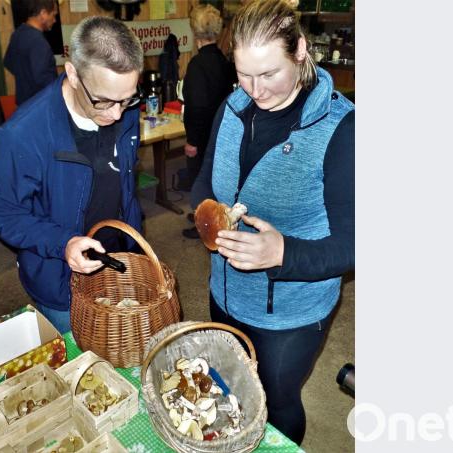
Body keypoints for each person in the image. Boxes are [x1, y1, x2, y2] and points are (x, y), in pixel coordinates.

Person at [190, 0, 354, 445]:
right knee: (232, 389)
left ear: (300, 50)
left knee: (276, 402)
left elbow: (354, 244)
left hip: (290, 314)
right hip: (224, 290)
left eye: (268, 74)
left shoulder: (342, 128)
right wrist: (205, 211)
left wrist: (283, 253)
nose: (255, 90)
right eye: (244, 73)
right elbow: (205, 179)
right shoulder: (234, 105)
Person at [0, 16, 145, 334]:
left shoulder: (123, 105)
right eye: (103, 101)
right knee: (83, 362)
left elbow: (122, 179)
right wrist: (64, 243)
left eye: (128, 99)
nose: (117, 114)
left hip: (119, 259)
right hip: (60, 279)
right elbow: (2, 214)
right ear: (72, 73)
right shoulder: (22, 135)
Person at [180, 4, 235, 239]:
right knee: (214, 179)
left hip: (202, 137)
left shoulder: (197, 65)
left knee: (200, 182)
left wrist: (192, 141)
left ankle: (203, 223)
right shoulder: (222, 61)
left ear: (195, 32)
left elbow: (197, 107)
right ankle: (207, 214)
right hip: (221, 132)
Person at [3, 0, 58, 105]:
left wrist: (25, 77)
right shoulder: (38, 42)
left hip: (23, 104)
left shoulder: (17, 34)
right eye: (53, 15)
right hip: (39, 106)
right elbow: (44, 79)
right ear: (43, 14)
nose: (54, 20)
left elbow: (8, 62)